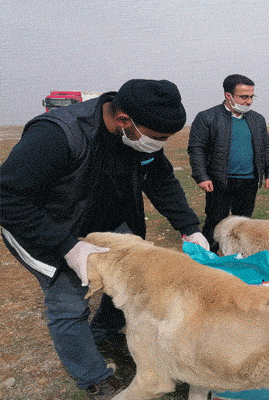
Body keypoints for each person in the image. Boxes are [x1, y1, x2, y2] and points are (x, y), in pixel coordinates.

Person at [0, 79, 209, 399]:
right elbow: (7, 199)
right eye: (158, 138)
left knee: (131, 278)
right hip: (43, 227)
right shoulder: (57, 135)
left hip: (105, 221)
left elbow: (161, 180)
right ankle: (94, 378)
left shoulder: (139, 138)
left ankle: (104, 332)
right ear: (124, 120)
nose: (160, 143)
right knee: (68, 304)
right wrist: (66, 245)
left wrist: (189, 227)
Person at [188, 74, 269, 253]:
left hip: (249, 180)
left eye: (252, 96)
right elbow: (196, 149)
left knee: (243, 222)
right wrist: (201, 176)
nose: (249, 101)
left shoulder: (257, 119)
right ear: (228, 95)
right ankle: (207, 257)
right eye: (244, 97)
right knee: (215, 219)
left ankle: (238, 256)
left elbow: (265, 147)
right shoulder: (207, 117)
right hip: (219, 181)